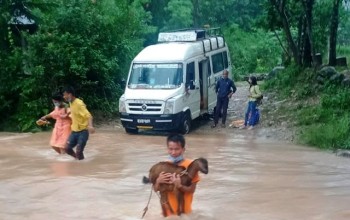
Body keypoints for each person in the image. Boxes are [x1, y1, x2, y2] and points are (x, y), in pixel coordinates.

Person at [154, 134, 201, 217]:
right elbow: (155, 189)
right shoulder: (163, 166)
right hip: (167, 214)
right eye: (170, 149)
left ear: (183, 149)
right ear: (167, 149)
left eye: (177, 149)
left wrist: (179, 186)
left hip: (184, 213)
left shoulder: (191, 166)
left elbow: (192, 190)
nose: (173, 152)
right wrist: (158, 181)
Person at [63, 86, 95, 160]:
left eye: (65, 95)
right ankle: (77, 160)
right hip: (74, 131)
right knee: (67, 148)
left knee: (79, 150)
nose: (64, 97)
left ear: (70, 94)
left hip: (83, 132)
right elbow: (74, 111)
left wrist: (90, 126)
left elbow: (89, 116)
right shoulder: (71, 102)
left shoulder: (79, 103)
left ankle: (81, 164)